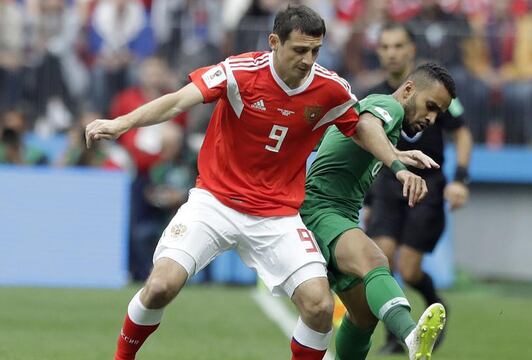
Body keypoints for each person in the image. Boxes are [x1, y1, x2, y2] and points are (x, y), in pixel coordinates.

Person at [85, 5, 429, 360]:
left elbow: (360, 125)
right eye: (299, 50)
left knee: (319, 306)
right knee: (160, 286)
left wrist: (395, 162)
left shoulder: (331, 88)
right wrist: (122, 123)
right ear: (274, 42)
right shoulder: (239, 72)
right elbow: (177, 102)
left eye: (315, 50)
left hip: (277, 215)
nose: (308, 59)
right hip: (215, 202)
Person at [301, 62, 456, 360]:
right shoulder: (388, 106)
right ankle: (413, 336)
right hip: (320, 210)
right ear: (409, 89)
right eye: (430, 106)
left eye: (439, 113)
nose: (432, 119)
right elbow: (365, 125)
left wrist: (396, 152)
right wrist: (398, 168)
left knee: (363, 317)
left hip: (336, 214)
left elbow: (359, 135)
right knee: (375, 259)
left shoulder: (390, 127)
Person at [363, 22, 473, 355]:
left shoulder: (436, 91)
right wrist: (366, 198)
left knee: (409, 269)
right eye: (384, 47)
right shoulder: (377, 95)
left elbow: (462, 133)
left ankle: (435, 306)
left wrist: (460, 179)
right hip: (386, 184)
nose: (391, 53)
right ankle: (396, 333)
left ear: (411, 50)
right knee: (381, 263)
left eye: (398, 46)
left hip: (427, 185)